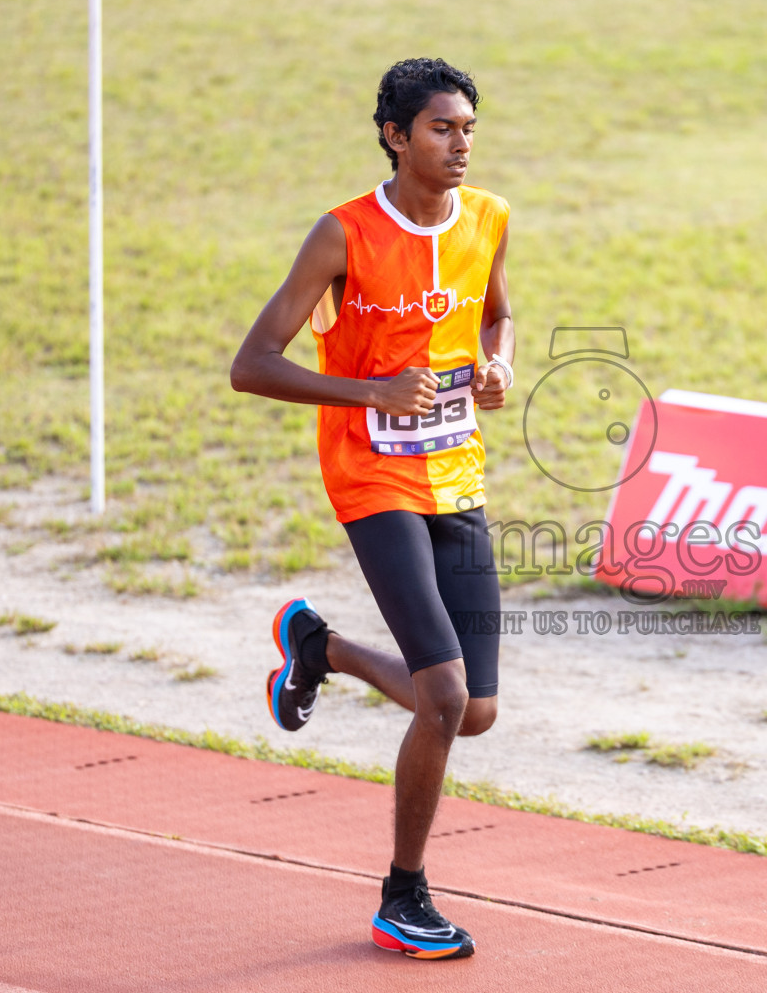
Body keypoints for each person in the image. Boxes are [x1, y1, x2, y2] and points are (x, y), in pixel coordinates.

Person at [230, 57, 514, 962]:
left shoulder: (489, 218)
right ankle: (404, 895)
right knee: (441, 695)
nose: (461, 144)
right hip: (371, 473)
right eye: (441, 128)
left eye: (469, 127)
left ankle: (324, 649)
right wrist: (370, 393)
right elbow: (254, 364)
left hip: (456, 471)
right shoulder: (343, 234)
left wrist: (498, 362)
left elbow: (496, 315)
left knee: (475, 711)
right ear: (395, 134)